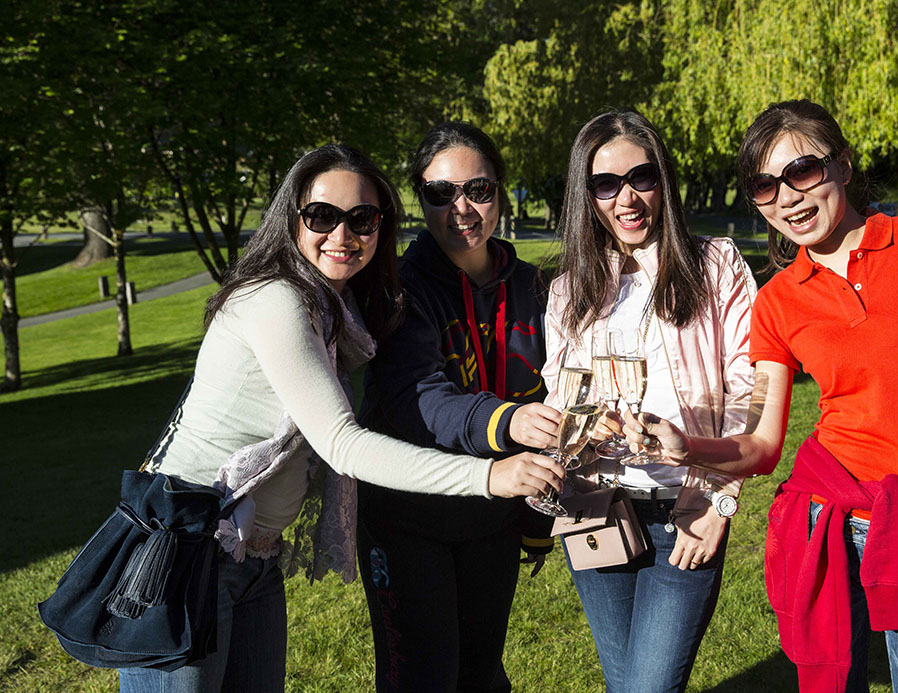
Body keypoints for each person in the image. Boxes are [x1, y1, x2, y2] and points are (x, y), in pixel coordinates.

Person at [116, 144, 563, 692]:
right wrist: (491, 475)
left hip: (251, 556)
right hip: (184, 552)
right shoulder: (276, 300)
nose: (342, 234)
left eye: (362, 218)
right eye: (322, 215)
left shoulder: (336, 309)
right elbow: (343, 444)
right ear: (291, 217)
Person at [626, 99, 898, 691]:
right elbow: (763, 444)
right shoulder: (776, 302)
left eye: (802, 171)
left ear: (843, 163)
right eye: (765, 186)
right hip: (832, 529)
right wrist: (690, 447)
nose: (787, 198)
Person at [542, 109, 757, 693]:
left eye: (641, 177)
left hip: (686, 511)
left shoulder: (715, 266)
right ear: (586, 194)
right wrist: (583, 423)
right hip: (595, 507)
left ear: (663, 179)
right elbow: (561, 398)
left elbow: (749, 389)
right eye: (605, 184)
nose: (627, 198)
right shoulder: (568, 291)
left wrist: (718, 500)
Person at [356, 122, 559, 693]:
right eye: (440, 193)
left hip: (494, 514)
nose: (461, 208)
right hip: (408, 515)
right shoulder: (397, 288)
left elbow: (557, 396)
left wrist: (536, 519)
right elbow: (418, 397)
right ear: (419, 198)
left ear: (500, 191)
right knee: (422, 678)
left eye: (479, 189)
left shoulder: (535, 288)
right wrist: (508, 420)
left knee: (481, 674)